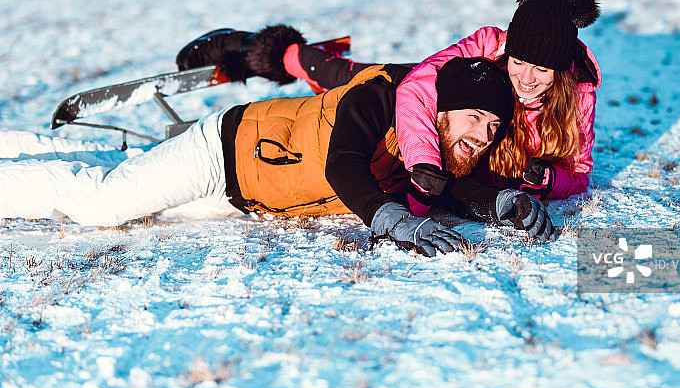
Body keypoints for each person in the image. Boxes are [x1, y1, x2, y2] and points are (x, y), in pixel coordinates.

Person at [0, 59, 554, 257]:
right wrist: (392, 221)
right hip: (222, 151)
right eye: (475, 119)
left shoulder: (437, 148)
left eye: (493, 126)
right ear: (443, 108)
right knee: (102, 203)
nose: (483, 135)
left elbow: (450, 192)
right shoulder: (382, 96)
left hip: (247, 199)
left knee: (120, 180)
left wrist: (504, 199)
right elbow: (343, 165)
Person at [176, 0, 601, 203]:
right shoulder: (490, 45)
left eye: (541, 71)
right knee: (343, 76)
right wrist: (424, 164)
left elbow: (578, 173)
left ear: (561, 70)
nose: (526, 79)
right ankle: (255, 47)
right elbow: (416, 88)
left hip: (467, 135)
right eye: (519, 63)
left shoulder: (577, 92)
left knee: (341, 87)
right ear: (507, 52)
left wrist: (548, 181)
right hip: (410, 84)